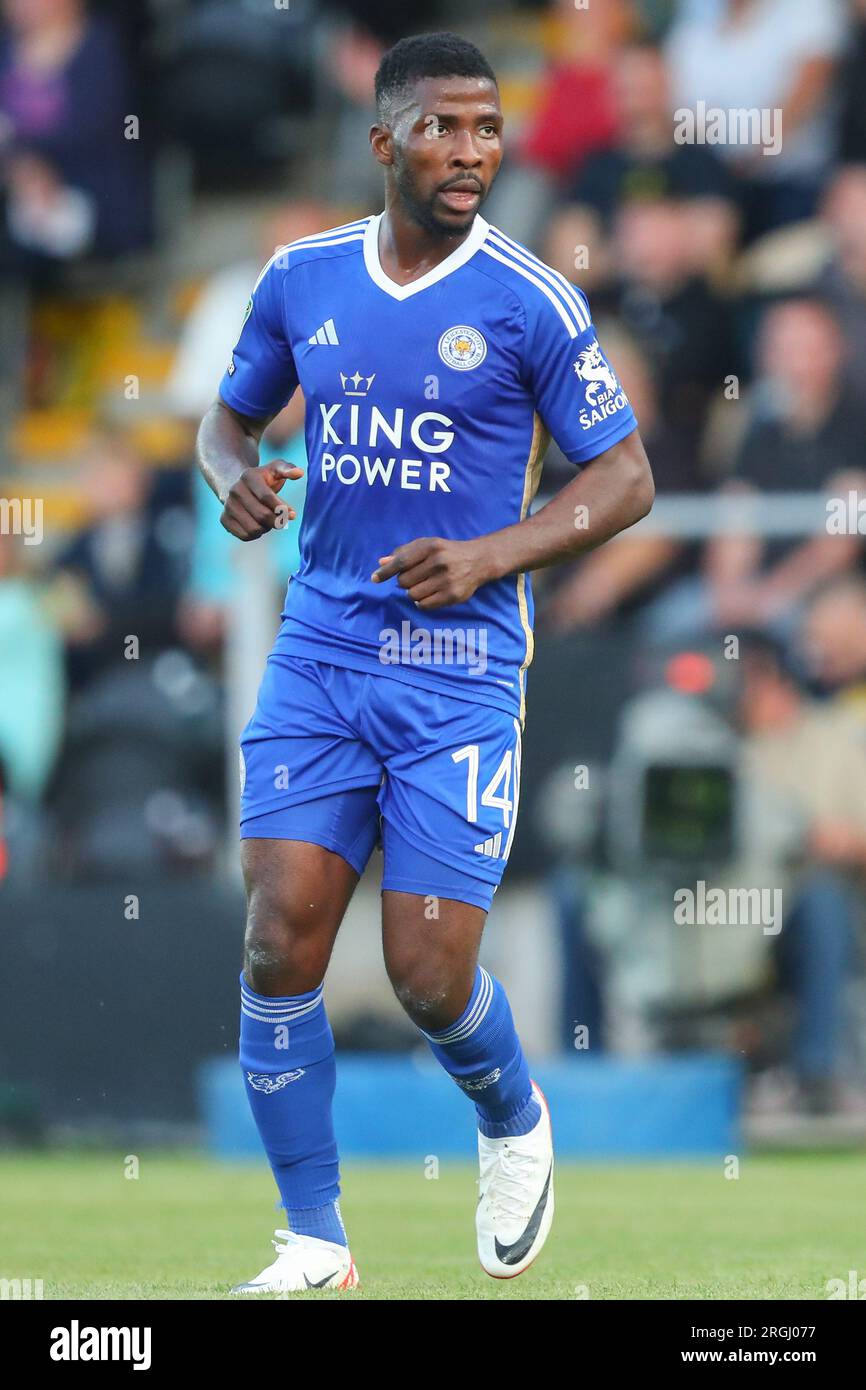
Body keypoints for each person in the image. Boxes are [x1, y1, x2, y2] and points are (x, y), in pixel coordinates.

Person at [196, 31, 654, 1293]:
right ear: (384, 138)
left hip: (456, 667)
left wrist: (492, 554)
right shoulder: (302, 278)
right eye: (445, 129)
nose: (472, 154)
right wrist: (237, 483)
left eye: (489, 130)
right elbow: (225, 419)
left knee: (424, 971)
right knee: (280, 932)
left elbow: (625, 478)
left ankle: (511, 1118)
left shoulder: (529, 298)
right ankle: (314, 1242)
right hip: (322, 649)